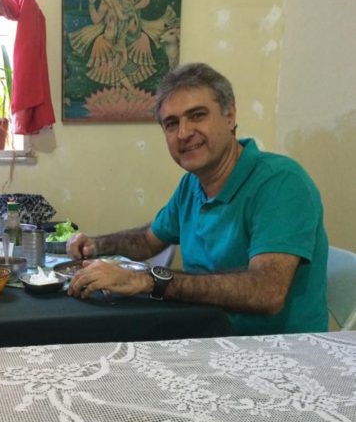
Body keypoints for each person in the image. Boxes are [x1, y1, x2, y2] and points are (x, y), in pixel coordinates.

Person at [67, 62, 328, 336]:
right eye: (171, 124)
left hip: (274, 350)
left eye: (197, 115)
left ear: (229, 116)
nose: (183, 133)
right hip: (204, 333)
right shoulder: (192, 184)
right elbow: (148, 240)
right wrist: (96, 245)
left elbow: (266, 292)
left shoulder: (280, 182)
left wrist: (149, 280)